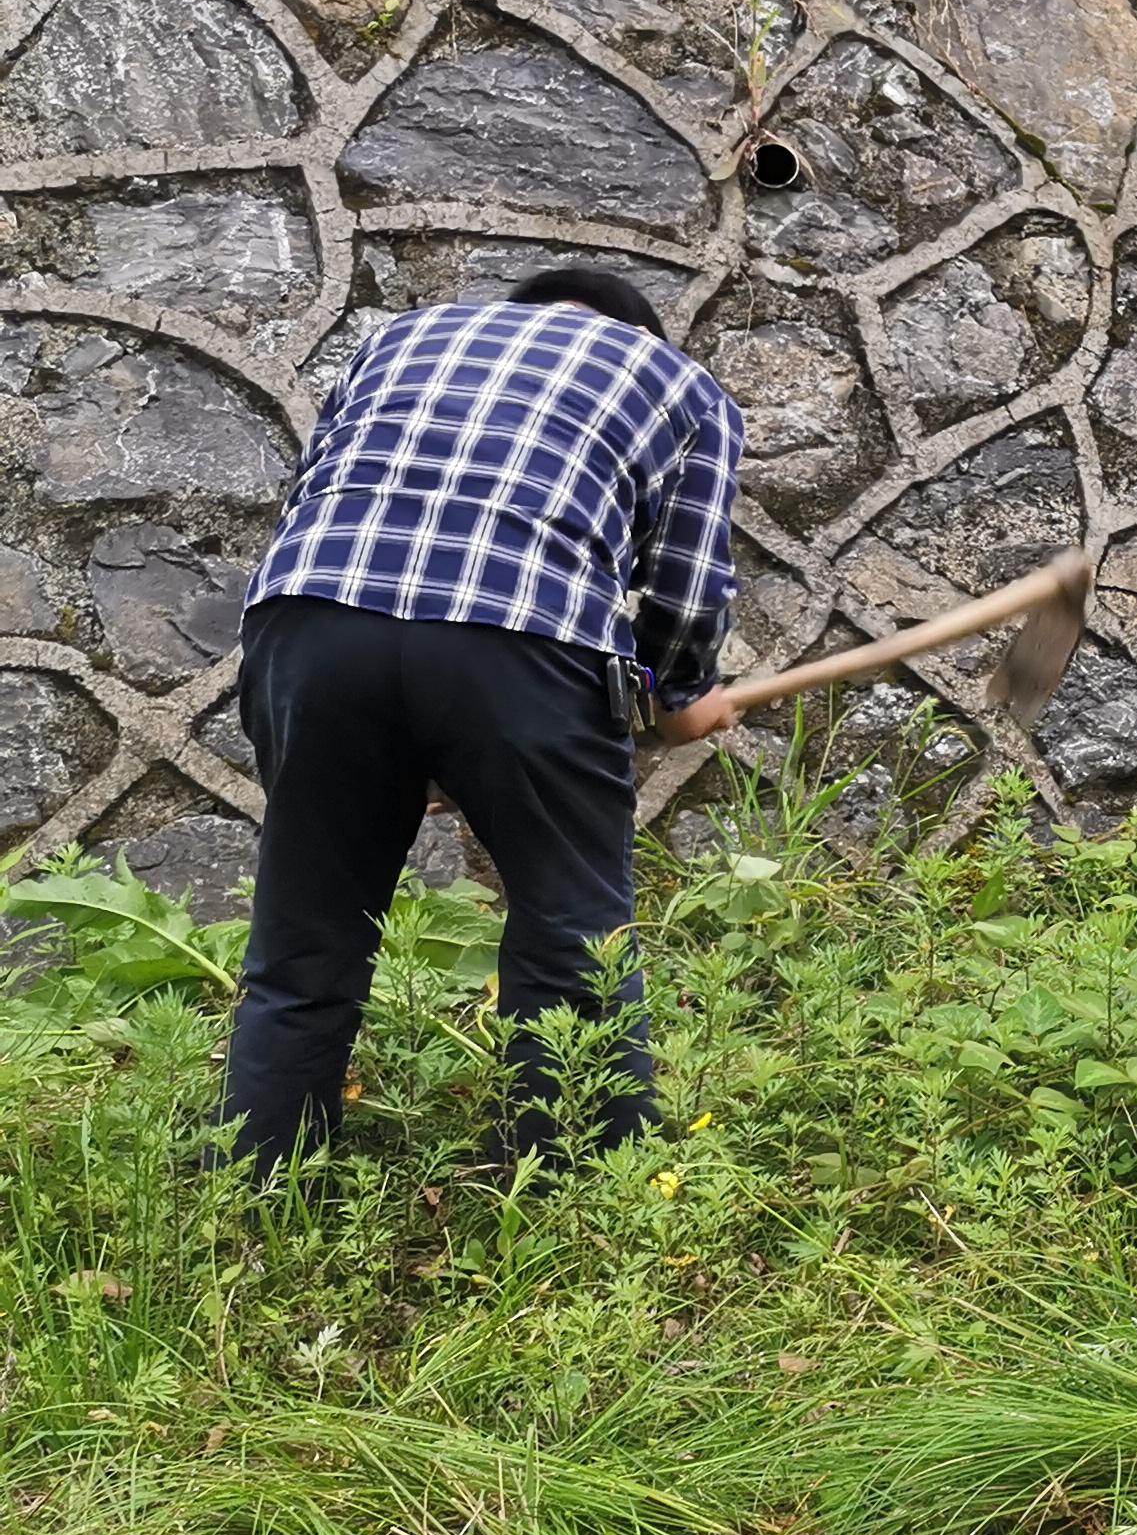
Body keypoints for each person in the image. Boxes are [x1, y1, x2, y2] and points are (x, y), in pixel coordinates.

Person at [226, 268, 747, 1178]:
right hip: (521, 634)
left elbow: (318, 493)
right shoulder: (677, 381)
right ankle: (579, 1192)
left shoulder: (403, 337)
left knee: (306, 934)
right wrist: (681, 691)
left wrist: (405, 743)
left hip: (311, 618)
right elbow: (687, 592)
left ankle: (256, 1186)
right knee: (571, 929)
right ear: (641, 333)